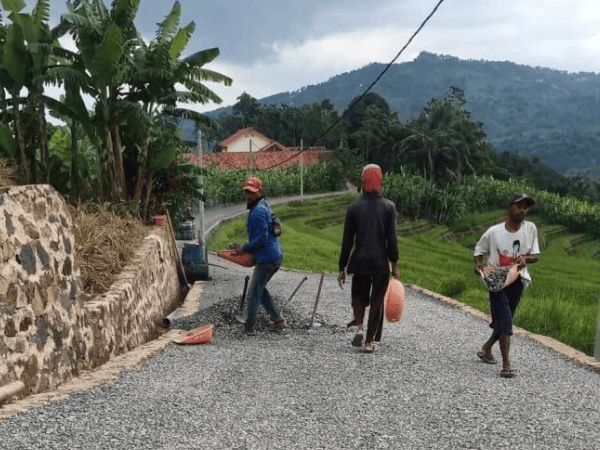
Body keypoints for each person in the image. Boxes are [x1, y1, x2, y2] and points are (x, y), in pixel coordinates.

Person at [474, 193, 540, 378]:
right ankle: (506, 365)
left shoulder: (530, 229)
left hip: (517, 279)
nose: (522, 210)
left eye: (526, 207)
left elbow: (535, 255)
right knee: (505, 320)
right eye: (519, 206)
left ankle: (487, 348)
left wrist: (526, 259)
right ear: (510, 206)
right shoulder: (494, 232)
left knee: (505, 319)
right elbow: (479, 249)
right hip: (496, 280)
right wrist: (478, 264)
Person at [338, 164, 400, 353]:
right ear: (380, 181)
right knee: (376, 301)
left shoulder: (354, 207)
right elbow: (392, 240)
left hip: (359, 261)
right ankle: (368, 343)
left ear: (363, 181)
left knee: (358, 297)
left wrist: (342, 267)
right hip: (380, 263)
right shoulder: (388, 207)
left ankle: (360, 328)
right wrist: (395, 266)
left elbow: (347, 241)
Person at [237, 176, 286, 335]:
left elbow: (263, 239)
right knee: (260, 288)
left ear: (259, 192)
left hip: (267, 259)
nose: (249, 196)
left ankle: (249, 326)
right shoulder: (263, 205)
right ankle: (278, 320)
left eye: (252, 192)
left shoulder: (258, 211)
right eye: (247, 192)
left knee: (253, 293)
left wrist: (245, 248)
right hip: (274, 255)